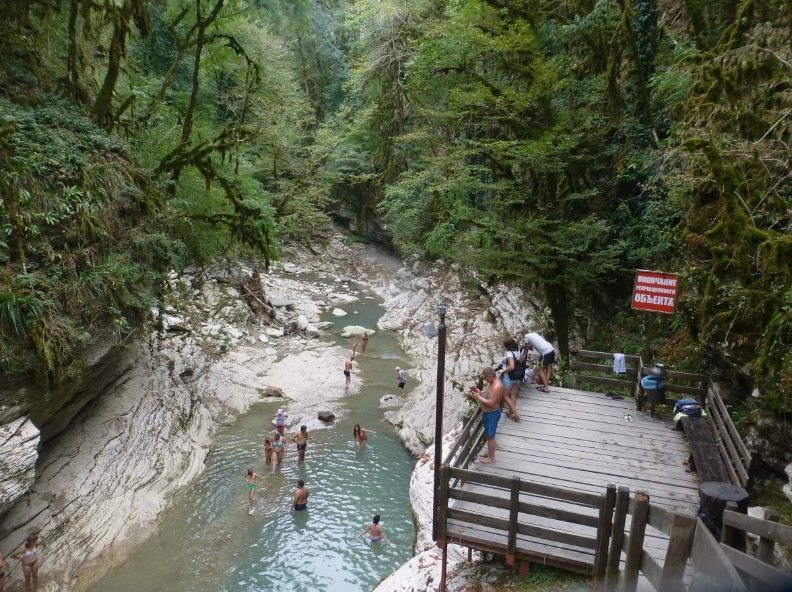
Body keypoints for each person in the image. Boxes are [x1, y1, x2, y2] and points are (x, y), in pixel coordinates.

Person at [470, 367, 504, 464]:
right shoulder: (491, 383)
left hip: (492, 413)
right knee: (489, 435)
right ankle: (489, 453)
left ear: (490, 376)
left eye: (486, 378)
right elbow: (488, 394)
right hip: (488, 413)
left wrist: (478, 397)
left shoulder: (498, 386)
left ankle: (492, 458)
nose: (485, 380)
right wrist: (480, 393)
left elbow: (491, 403)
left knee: (490, 436)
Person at [498, 337, 522, 422]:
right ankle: (511, 413)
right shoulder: (518, 351)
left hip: (509, 377)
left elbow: (511, 367)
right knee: (513, 395)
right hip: (517, 376)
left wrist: (503, 370)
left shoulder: (509, 353)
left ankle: (516, 414)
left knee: (505, 396)